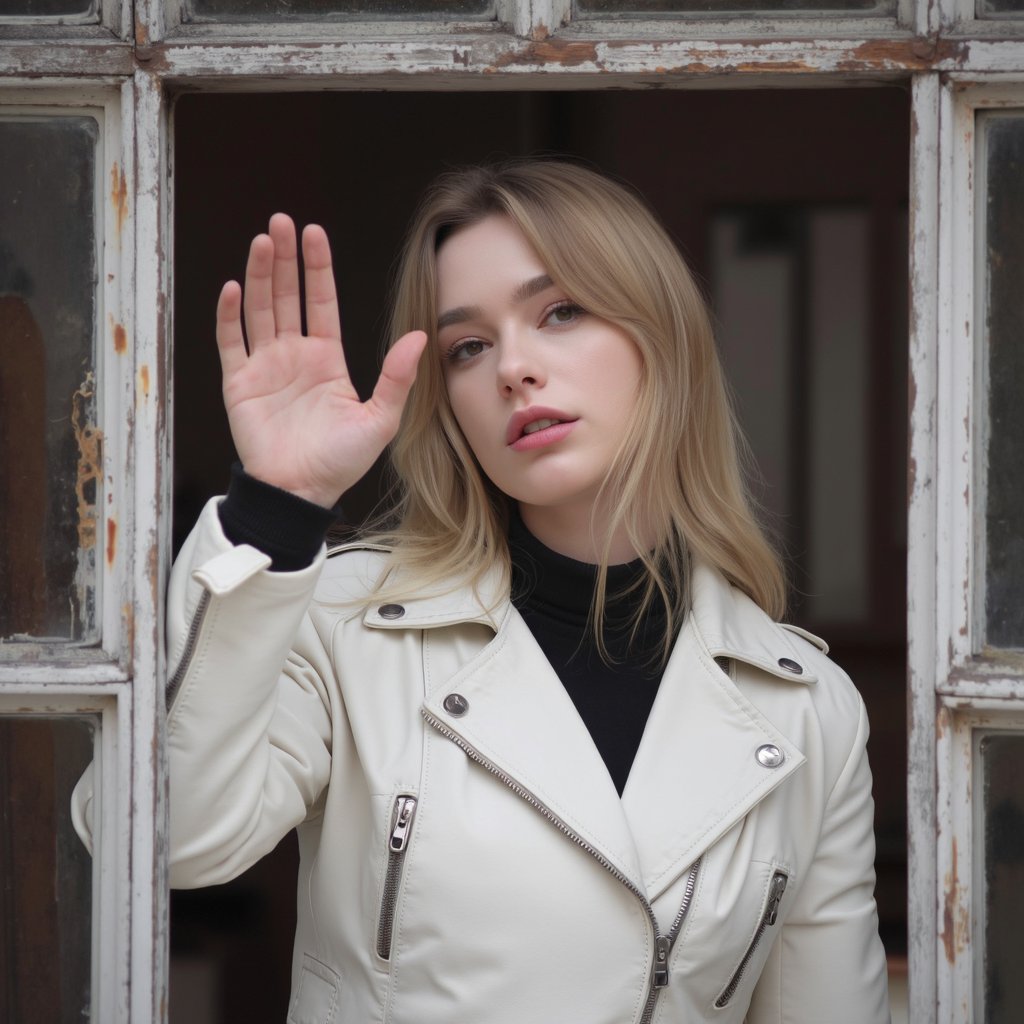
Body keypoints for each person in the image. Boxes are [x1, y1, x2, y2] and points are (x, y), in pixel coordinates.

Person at [75, 160, 890, 1023]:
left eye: (560, 311)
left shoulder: (809, 711)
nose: (513, 368)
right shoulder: (344, 625)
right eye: (469, 345)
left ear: (664, 335)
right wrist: (278, 507)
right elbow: (169, 846)